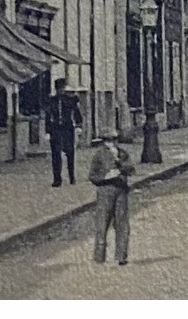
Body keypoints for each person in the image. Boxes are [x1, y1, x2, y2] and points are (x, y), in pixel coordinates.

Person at [87, 131, 135, 265]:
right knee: (102, 224)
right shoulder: (98, 156)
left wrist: (120, 164)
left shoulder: (123, 154)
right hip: (105, 191)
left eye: (114, 140)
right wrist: (105, 177)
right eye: (109, 141)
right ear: (104, 142)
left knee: (122, 224)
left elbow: (131, 169)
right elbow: (92, 176)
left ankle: (121, 256)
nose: (112, 143)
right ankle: (99, 257)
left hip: (121, 191)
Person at [44, 78, 83, 187]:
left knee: (70, 153)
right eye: (59, 88)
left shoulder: (71, 99)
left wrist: (79, 125)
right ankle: (57, 179)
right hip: (55, 128)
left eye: (62, 88)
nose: (60, 90)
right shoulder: (51, 100)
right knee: (56, 154)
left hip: (67, 128)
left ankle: (72, 177)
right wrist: (48, 131)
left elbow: (76, 112)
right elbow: (48, 116)